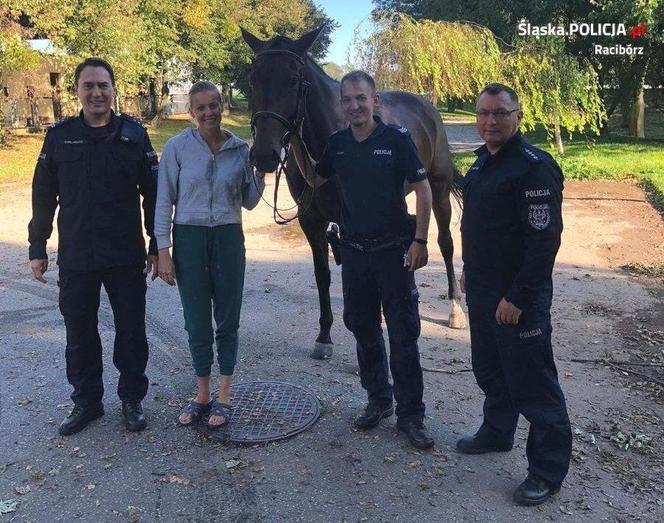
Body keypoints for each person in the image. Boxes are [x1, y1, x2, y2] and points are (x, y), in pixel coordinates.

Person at [300, 70, 434, 450]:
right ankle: (378, 400)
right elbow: (314, 179)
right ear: (341, 106)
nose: (355, 106)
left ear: (374, 102)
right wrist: (291, 138)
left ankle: (411, 415)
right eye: (348, 100)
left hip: (394, 253)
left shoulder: (396, 139)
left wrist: (420, 240)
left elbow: (423, 190)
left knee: (404, 334)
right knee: (363, 330)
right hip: (355, 253)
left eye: (362, 98)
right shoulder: (338, 143)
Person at [28, 57, 159, 435]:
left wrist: (156, 242)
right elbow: (43, 195)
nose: (96, 92)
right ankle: (87, 402)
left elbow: (152, 194)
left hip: (124, 254)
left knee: (131, 331)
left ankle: (131, 399)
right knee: (79, 334)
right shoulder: (59, 137)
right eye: (89, 86)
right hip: (78, 257)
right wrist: (38, 244)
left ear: (114, 89)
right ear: (78, 91)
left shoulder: (134, 136)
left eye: (103, 85)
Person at [457, 83, 572, 505]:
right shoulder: (480, 165)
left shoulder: (533, 167)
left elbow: (543, 241)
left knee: (534, 386)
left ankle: (546, 471)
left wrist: (518, 297)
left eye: (500, 113)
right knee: (489, 370)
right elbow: (480, 228)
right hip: (484, 291)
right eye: (484, 113)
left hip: (518, 299)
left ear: (518, 116)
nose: (491, 121)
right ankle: (497, 431)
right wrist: (471, 271)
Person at [155, 81, 265, 430]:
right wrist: (163, 250)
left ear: (222, 106)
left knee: (228, 319)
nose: (208, 113)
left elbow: (248, 201)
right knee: (196, 320)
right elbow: (164, 199)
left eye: (213, 105)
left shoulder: (239, 149)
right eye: (200, 107)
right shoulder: (176, 148)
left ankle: (226, 394)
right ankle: (202, 394)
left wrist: (261, 170)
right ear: (192, 112)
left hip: (229, 237)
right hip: (188, 237)